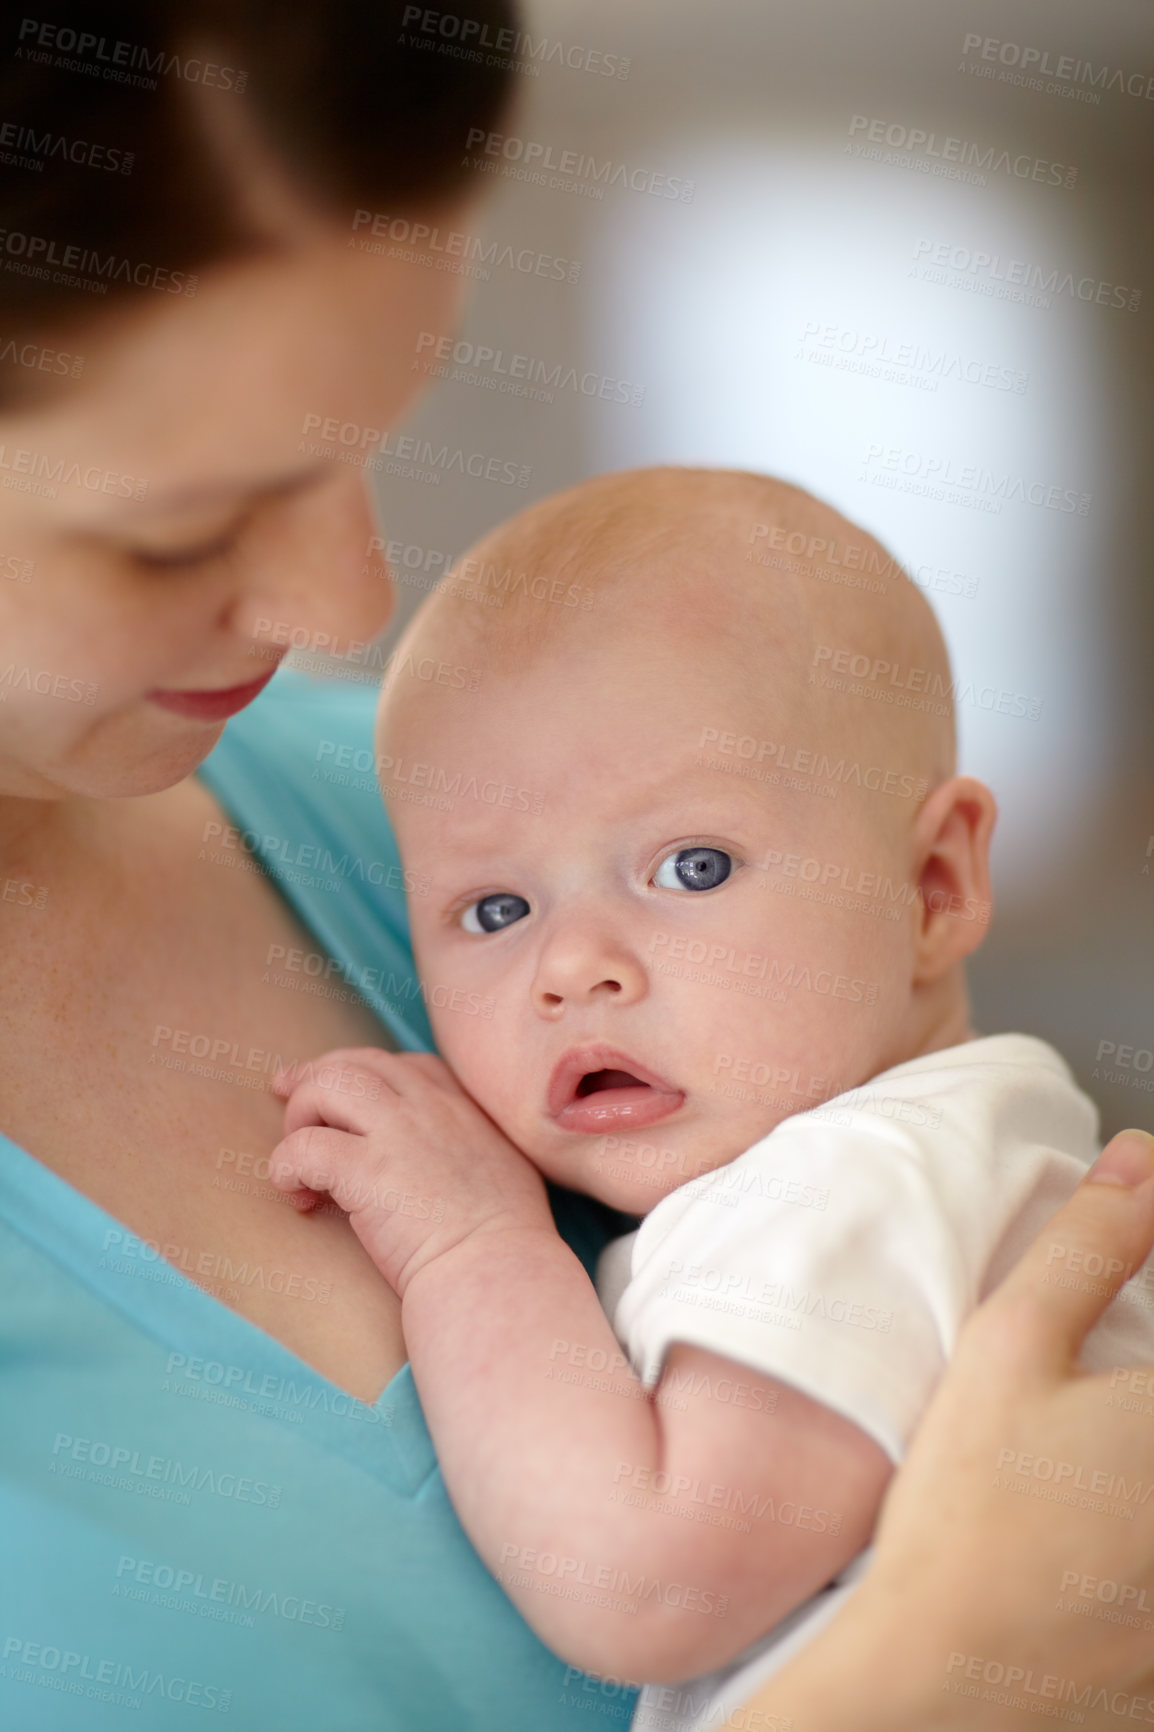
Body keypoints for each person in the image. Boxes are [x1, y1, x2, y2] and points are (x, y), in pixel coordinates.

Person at [0, 2, 1149, 1727]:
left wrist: (475, 1246)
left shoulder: (469, 810)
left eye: (366, 436)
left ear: (930, 884)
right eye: (174, 524)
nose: (345, 605)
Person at [268, 467, 1154, 1729]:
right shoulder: (945, 1152)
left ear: (932, 884)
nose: (572, 968)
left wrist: (475, 1248)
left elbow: (641, 1585)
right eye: (496, 910)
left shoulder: (852, 1182)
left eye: (691, 866)